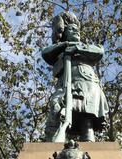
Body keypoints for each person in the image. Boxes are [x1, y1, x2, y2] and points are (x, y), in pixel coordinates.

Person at [42, 12, 109, 141]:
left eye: (77, 30)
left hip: (88, 85)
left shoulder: (86, 47)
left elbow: (100, 51)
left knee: (87, 118)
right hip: (65, 85)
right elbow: (45, 53)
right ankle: (53, 143)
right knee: (57, 109)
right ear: (65, 33)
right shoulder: (59, 48)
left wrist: (76, 48)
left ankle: (89, 144)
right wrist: (64, 45)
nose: (76, 32)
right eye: (72, 29)